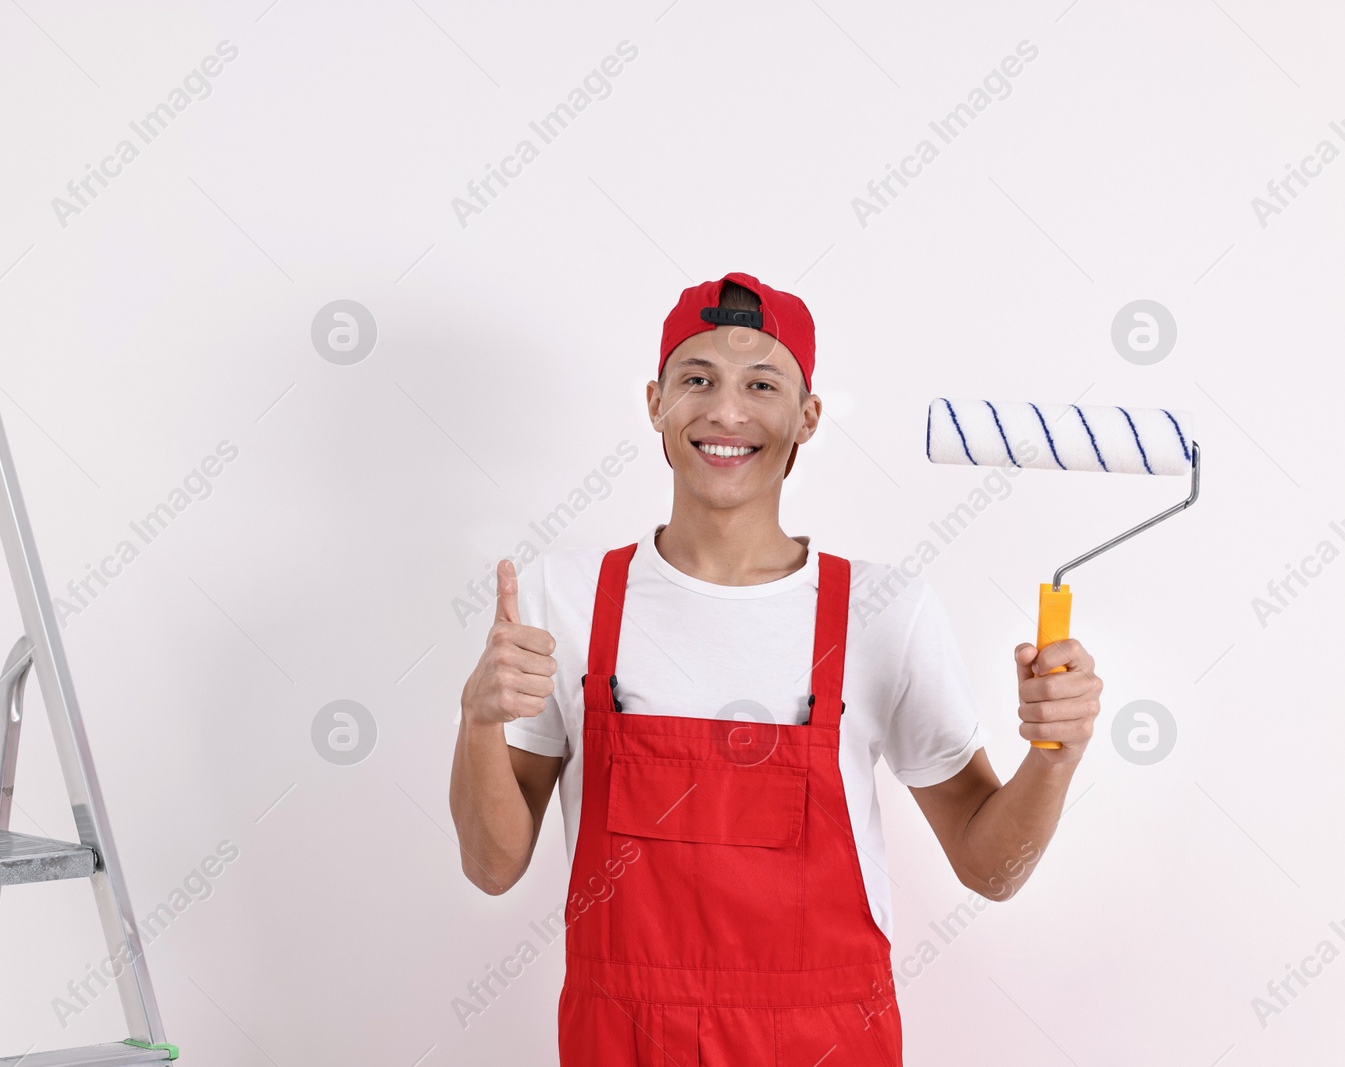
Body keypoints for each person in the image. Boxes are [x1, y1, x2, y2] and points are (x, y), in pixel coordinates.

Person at [447, 270, 1102, 1065]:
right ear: (656, 401)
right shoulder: (563, 598)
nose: (727, 411)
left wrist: (1054, 753)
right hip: (621, 1040)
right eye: (698, 379)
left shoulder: (884, 611)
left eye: (762, 383)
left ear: (808, 416)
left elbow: (991, 869)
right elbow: (492, 866)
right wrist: (478, 720)